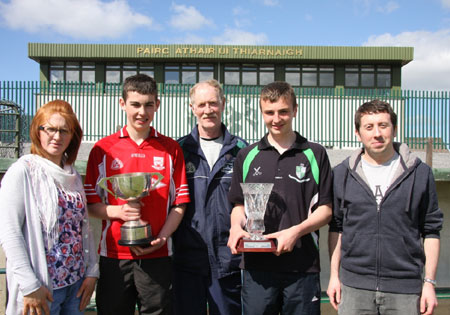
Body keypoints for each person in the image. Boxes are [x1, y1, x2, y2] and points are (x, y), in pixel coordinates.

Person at [84, 74, 190, 315]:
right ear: (122, 104)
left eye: (148, 104)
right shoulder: (103, 149)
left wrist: (162, 238)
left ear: (157, 105)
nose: (142, 112)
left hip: (158, 253)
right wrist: (118, 211)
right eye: (135, 104)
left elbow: (179, 204)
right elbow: (91, 204)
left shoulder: (170, 149)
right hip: (113, 254)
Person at [327, 99, 443, 315]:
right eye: (369, 127)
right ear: (358, 132)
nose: (377, 133)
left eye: (383, 125)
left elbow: (431, 231)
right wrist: (334, 276)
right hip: (354, 289)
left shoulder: (420, 173)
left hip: (406, 290)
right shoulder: (342, 174)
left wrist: (429, 283)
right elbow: (337, 228)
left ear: (394, 129)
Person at [227, 81, 333, 315]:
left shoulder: (315, 154)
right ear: (262, 112)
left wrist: (295, 232)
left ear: (295, 110)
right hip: (257, 268)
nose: (276, 118)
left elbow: (325, 209)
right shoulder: (247, 155)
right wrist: (236, 227)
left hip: (303, 266)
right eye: (269, 112)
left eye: (283, 111)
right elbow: (239, 204)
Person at [0, 100, 99, 315]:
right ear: (38, 130)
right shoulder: (23, 172)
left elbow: (82, 228)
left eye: (64, 130)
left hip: (76, 286)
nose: (57, 136)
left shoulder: (71, 174)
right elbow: (10, 233)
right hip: (42, 289)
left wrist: (92, 271)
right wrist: (29, 285)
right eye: (50, 129)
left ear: (73, 135)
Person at [173, 80, 247, 315]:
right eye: (202, 104)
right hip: (186, 260)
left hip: (227, 259)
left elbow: (248, 202)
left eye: (213, 103)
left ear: (223, 104)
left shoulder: (241, 150)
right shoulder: (178, 150)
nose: (208, 110)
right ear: (192, 108)